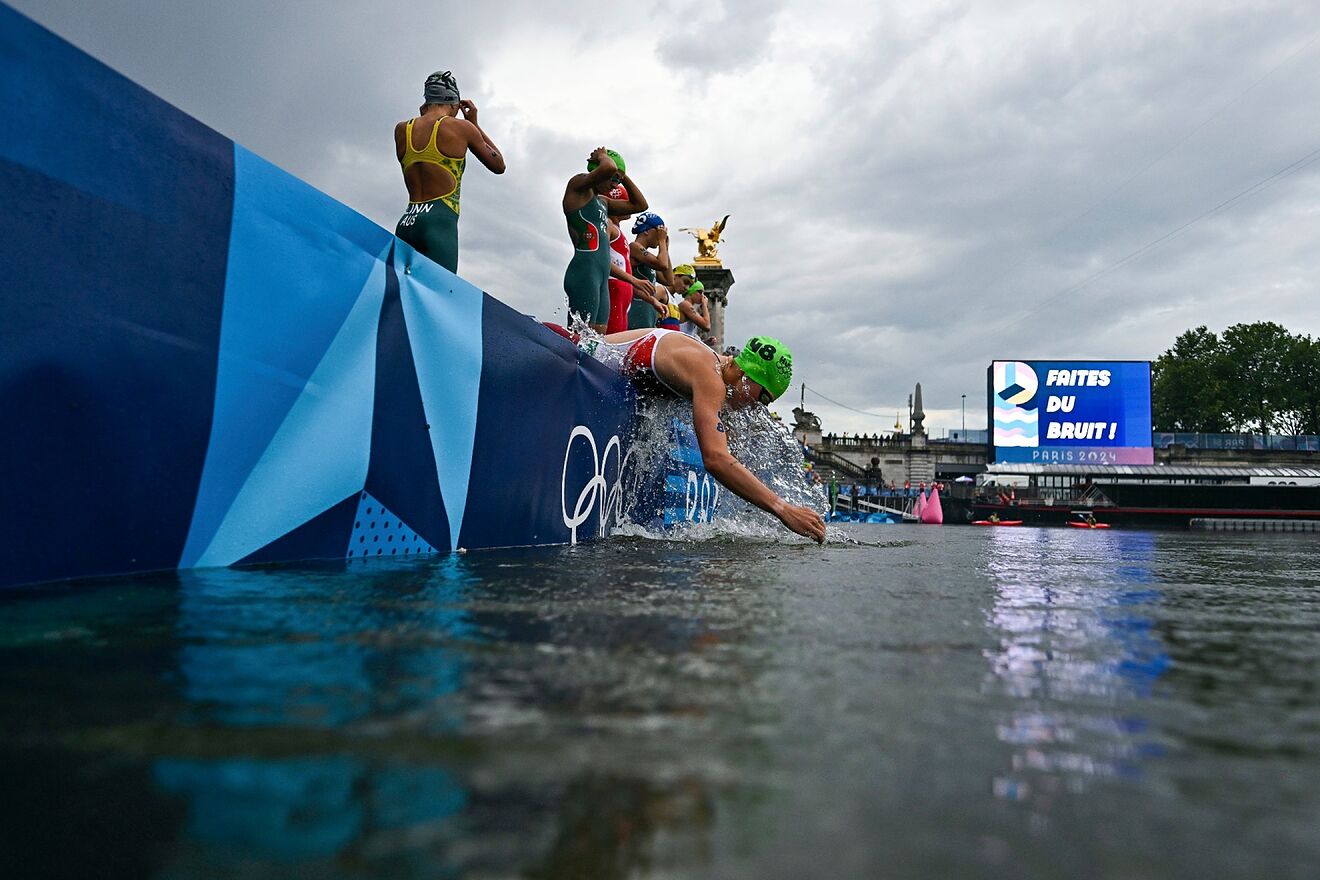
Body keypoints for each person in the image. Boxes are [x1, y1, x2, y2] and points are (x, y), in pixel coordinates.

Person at [562, 327, 826, 542]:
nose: (757, 408)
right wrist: (783, 509)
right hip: (564, 361)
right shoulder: (710, 376)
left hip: (578, 371)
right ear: (747, 375)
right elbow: (716, 459)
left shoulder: (717, 372)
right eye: (763, 398)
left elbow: (732, 456)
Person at [394, 70, 505, 274]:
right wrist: (474, 124)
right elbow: (499, 166)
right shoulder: (462, 128)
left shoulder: (402, 129)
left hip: (408, 221)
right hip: (438, 223)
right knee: (439, 297)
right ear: (454, 103)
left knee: (397, 300)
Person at [562, 148, 648, 332]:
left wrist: (623, 175)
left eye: (619, 180)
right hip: (584, 271)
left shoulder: (603, 202)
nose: (616, 185)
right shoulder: (577, 187)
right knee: (579, 338)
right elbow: (608, 167)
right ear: (598, 170)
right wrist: (602, 157)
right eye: (614, 178)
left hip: (601, 275)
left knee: (598, 341)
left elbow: (640, 205)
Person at [604, 188, 657, 333]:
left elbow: (623, 273)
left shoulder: (618, 231)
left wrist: (651, 300)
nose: (630, 206)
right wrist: (634, 280)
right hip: (613, 293)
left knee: (615, 347)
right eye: (626, 202)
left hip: (621, 299)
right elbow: (600, 261)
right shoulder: (608, 225)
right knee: (607, 343)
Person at [627, 213, 674, 330]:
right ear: (646, 231)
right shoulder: (634, 247)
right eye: (659, 232)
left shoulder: (649, 260)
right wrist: (662, 242)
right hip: (634, 312)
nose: (660, 236)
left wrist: (665, 249)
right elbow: (662, 264)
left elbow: (669, 280)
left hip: (647, 314)